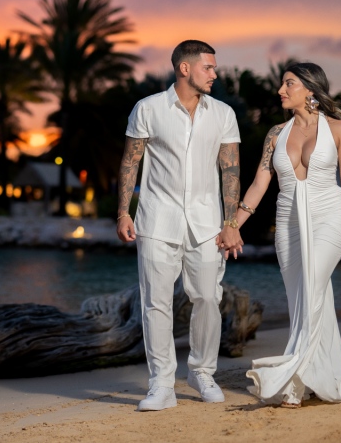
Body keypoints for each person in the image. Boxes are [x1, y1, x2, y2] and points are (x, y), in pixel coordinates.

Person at [116, 40, 243, 411]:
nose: (215, 74)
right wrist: (124, 212)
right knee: (155, 303)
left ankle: (202, 372)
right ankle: (161, 384)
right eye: (209, 68)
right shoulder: (148, 108)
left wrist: (231, 221)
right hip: (156, 218)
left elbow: (230, 170)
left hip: (206, 224)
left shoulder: (223, 114)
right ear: (185, 68)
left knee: (207, 297)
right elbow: (130, 162)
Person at [232, 62, 341, 408]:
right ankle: (320, 377)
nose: (281, 90)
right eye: (282, 84)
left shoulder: (339, 130)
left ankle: (288, 379)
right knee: (301, 298)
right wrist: (232, 225)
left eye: (288, 83)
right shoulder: (275, 134)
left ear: (309, 89)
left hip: (330, 218)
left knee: (312, 287)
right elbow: (260, 183)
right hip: (288, 224)